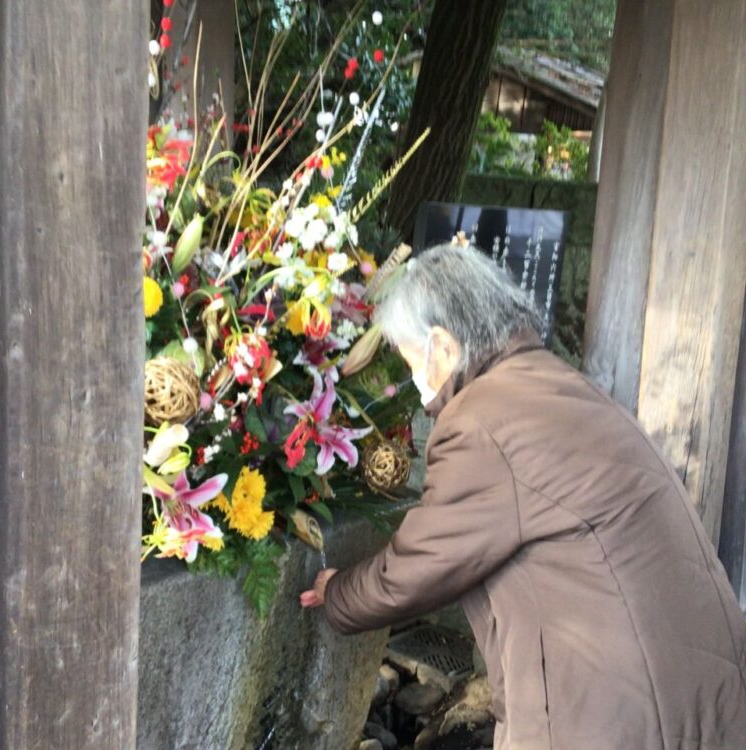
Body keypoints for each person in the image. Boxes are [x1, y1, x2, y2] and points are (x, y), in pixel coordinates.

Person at [300, 244, 746, 749]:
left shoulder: (481, 420)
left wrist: (338, 594)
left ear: (441, 346)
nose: (414, 379)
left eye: (409, 359)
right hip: (694, 694)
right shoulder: (560, 385)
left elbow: (420, 564)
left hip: (614, 713)